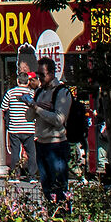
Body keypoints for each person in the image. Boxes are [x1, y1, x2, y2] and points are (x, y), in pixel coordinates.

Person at [30, 59, 74, 203]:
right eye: (38, 75)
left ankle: (63, 218)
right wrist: (31, 105)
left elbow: (58, 120)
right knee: (47, 188)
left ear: (52, 73)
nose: (39, 79)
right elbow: (28, 117)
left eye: (42, 75)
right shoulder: (40, 92)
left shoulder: (62, 92)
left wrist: (38, 109)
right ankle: (51, 217)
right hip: (41, 144)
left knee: (59, 188)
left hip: (56, 145)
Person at [4, 68, 36, 180]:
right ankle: (32, 176)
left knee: (15, 152)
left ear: (17, 81)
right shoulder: (32, 93)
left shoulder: (10, 93)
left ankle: (15, 175)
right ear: (28, 82)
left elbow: (4, 107)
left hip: (14, 128)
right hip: (29, 128)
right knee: (31, 153)